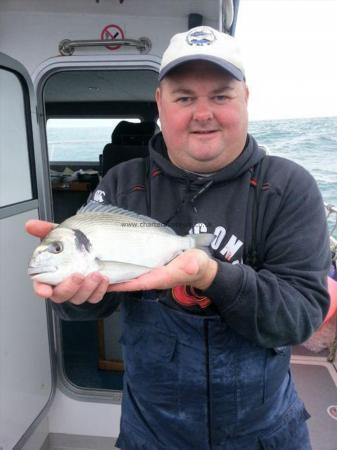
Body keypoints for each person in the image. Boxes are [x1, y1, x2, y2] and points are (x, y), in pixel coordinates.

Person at [26, 26, 331, 450]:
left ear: (246, 97)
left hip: (264, 432)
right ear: (160, 104)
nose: (202, 113)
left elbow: (300, 317)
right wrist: (76, 296)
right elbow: (100, 299)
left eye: (220, 95)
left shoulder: (287, 187)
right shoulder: (122, 184)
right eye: (184, 97)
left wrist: (211, 275)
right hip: (151, 431)